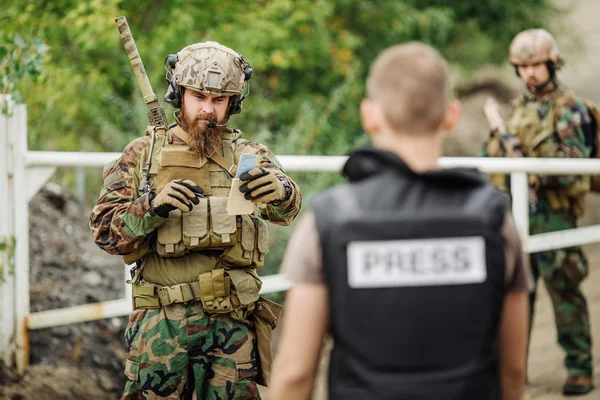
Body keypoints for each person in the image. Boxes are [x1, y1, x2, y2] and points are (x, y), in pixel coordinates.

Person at [270, 42, 532, 400]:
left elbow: (295, 375)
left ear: (369, 115)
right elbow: (513, 370)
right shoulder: (495, 219)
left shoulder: (330, 220)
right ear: (451, 115)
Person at [89, 41, 301, 399]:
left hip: (230, 327)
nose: (208, 109)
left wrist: (280, 191)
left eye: (219, 100)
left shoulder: (249, 154)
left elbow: (288, 209)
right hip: (161, 325)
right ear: (179, 93)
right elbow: (105, 234)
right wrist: (152, 208)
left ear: (232, 102)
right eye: (199, 96)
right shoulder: (143, 155)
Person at [480, 29, 594, 396]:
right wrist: (503, 148)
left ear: (551, 63)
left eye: (535, 65)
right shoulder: (519, 109)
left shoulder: (569, 108)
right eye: (522, 66)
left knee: (565, 292)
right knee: (515, 295)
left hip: (554, 213)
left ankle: (580, 369)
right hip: (516, 216)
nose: (529, 73)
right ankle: (514, 371)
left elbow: (575, 161)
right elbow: (489, 156)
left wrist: (529, 166)